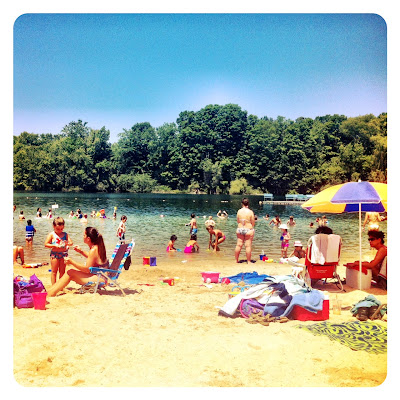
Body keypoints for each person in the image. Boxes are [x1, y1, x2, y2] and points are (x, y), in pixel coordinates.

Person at [47, 227, 109, 297]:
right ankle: (50, 291)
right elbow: (92, 257)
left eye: (84, 235)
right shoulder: (97, 247)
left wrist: (71, 262)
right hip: (102, 277)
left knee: (70, 272)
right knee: (70, 272)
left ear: (88, 239)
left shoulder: (93, 250)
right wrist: (81, 251)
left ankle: (51, 293)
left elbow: (87, 270)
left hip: (99, 279)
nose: (83, 237)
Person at [44, 217, 73, 285]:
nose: (60, 230)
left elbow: (71, 243)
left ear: (63, 227)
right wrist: (54, 245)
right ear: (53, 226)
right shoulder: (52, 234)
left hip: (63, 254)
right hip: (54, 254)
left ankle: (60, 286)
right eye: (57, 229)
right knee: (54, 271)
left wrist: (67, 243)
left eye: (61, 229)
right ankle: (54, 286)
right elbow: (46, 244)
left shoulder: (65, 234)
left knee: (62, 272)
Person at [235, 197, 255, 264]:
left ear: (242, 204)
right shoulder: (250, 212)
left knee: (238, 245)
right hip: (248, 229)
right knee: (248, 246)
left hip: (240, 229)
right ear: (248, 204)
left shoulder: (239, 211)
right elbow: (253, 223)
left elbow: (238, 221)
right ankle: (248, 261)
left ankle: (236, 260)